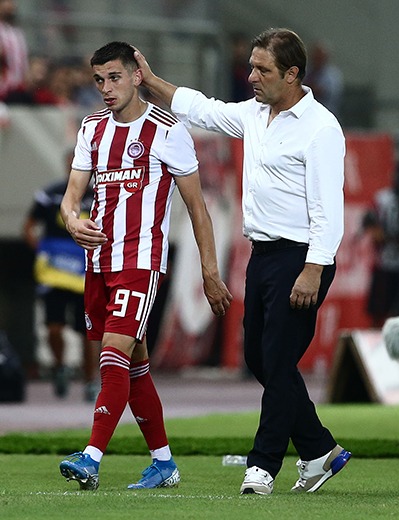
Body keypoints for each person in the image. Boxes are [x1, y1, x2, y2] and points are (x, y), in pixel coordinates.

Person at [135, 27, 351, 495]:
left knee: (278, 359)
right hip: (263, 255)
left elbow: (328, 210)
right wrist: (150, 81)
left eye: (262, 69)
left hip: (300, 257)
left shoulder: (320, 128)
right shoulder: (255, 114)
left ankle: (263, 466)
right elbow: (203, 109)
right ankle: (318, 449)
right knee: (259, 358)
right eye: (251, 66)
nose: (251, 76)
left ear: (292, 74)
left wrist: (314, 268)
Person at [58, 41, 232, 491]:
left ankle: (91, 457)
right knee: (134, 366)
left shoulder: (168, 130)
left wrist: (210, 272)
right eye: (99, 80)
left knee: (112, 353)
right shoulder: (92, 128)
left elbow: (197, 208)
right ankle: (164, 463)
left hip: (140, 262)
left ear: (137, 76)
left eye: (115, 77)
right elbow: (71, 196)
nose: (106, 88)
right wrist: (72, 221)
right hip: (99, 261)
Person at [23, 152, 99, 402]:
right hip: (55, 274)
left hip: (84, 275)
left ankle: (90, 380)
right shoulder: (51, 194)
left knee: (87, 331)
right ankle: (60, 367)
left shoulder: (100, 195)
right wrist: (43, 252)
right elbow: (28, 227)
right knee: (53, 328)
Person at [361, 163, 399, 328]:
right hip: (384, 262)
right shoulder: (383, 199)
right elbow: (368, 221)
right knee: (378, 311)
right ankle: (375, 340)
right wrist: (378, 233)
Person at [303, 40, 343, 118]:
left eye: (319, 57)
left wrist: (305, 88)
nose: (316, 60)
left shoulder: (332, 75)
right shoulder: (306, 71)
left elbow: (323, 92)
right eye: (315, 57)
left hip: (325, 115)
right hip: (306, 115)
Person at [0, 0, 29, 101]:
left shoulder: (17, 33)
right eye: (7, 2)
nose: (11, 6)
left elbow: (23, 61)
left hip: (18, 85)